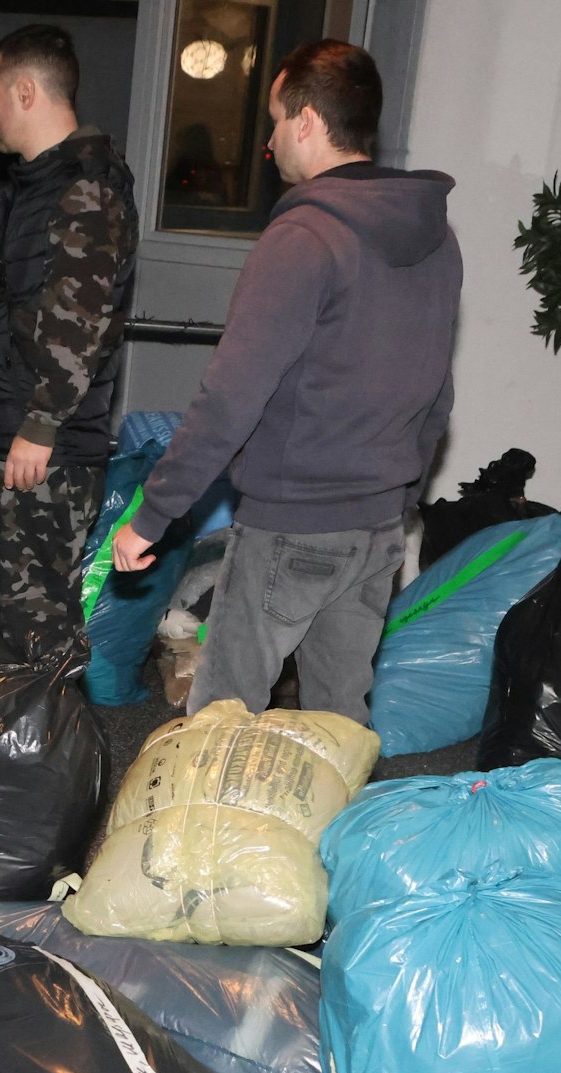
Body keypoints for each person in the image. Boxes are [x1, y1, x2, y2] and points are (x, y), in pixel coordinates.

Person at [109, 39, 461, 724]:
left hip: (291, 524)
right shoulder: (436, 239)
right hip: (377, 523)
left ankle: (216, 834)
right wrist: (400, 493)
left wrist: (152, 514)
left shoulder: (304, 237)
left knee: (223, 720)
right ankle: (333, 834)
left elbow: (230, 396)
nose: (269, 141)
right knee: (337, 725)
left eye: (274, 120)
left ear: (307, 120)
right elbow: (436, 390)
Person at [0, 24, 136, 655]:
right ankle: (3, 746)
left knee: (38, 623)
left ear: (26, 91)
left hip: (41, 448)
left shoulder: (86, 185)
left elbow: (82, 320)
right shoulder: (19, 190)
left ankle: (50, 749)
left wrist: (44, 424)